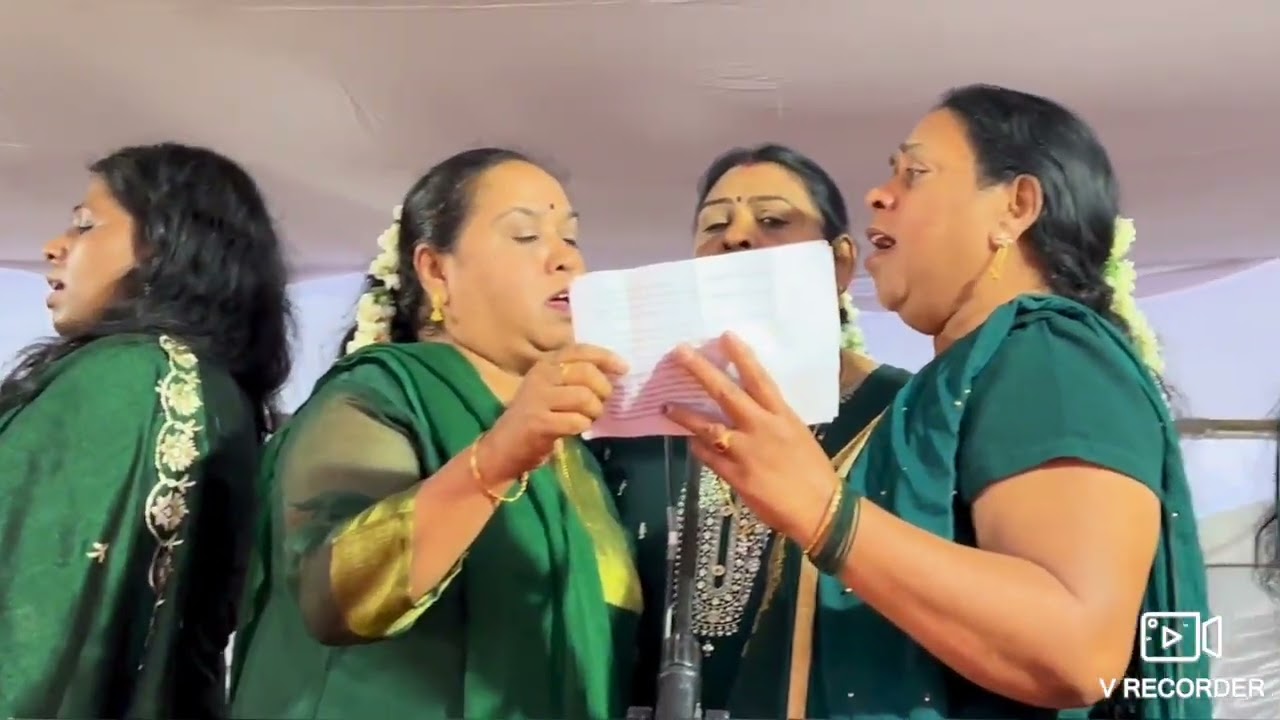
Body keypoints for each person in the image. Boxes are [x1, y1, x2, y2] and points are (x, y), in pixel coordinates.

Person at [661, 85, 1211, 719]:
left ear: (1015, 207)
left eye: (914, 174)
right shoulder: (963, 377)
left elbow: (1077, 646)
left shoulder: (1049, 354)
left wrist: (823, 512)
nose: (878, 194)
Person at [230, 148, 643, 720]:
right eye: (525, 236)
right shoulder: (382, 393)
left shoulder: (574, 450)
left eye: (570, 239)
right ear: (435, 270)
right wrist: (497, 460)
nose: (564, 261)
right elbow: (336, 596)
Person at [590, 143, 912, 712]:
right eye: (714, 224)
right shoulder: (636, 416)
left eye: (773, 220)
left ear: (839, 263)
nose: (735, 237)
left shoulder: (904, 410)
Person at [0, 143, 293, 718]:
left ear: (162, 244)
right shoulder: (215, 387)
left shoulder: (128, 377)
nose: (54, 247)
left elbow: (41, 621)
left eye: (86, 226)